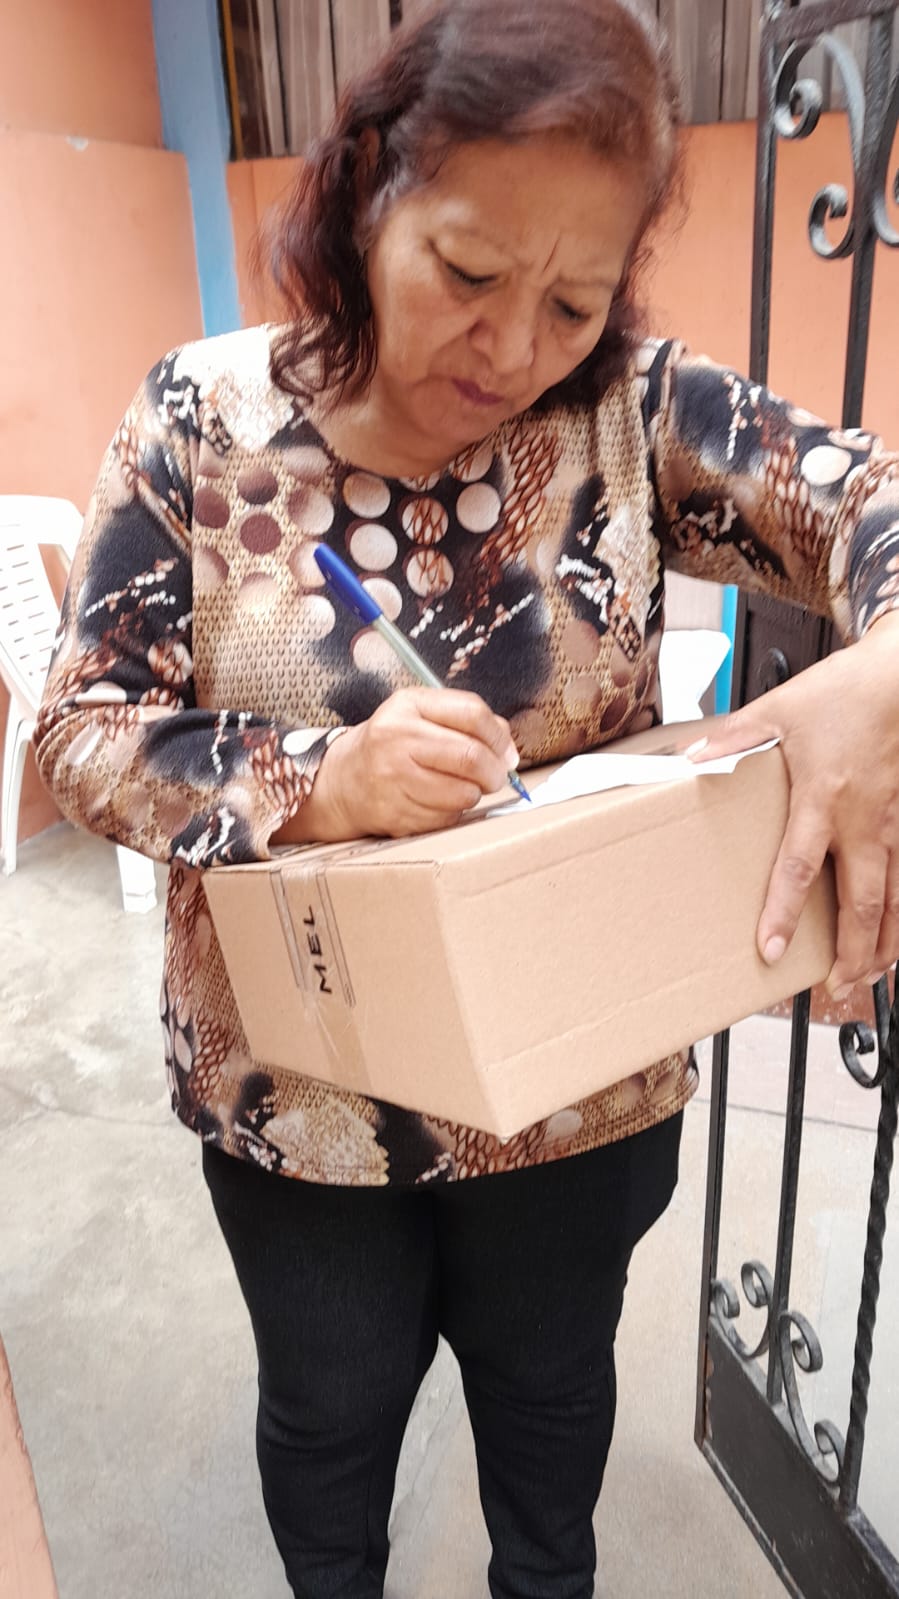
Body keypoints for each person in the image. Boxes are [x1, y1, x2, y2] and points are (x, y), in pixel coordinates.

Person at [35, 0, 899, 1594]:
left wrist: (882, 671)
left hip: (580, 1079)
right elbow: (81, 732)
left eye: (574, 301)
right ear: (370, 190)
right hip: (305, 1097)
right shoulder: (205, 426)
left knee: (552, 1395)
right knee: (331, 1410)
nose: (511, 353)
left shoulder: (630, 415)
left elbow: (870, 506)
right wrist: (316, 780)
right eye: (468, 272)